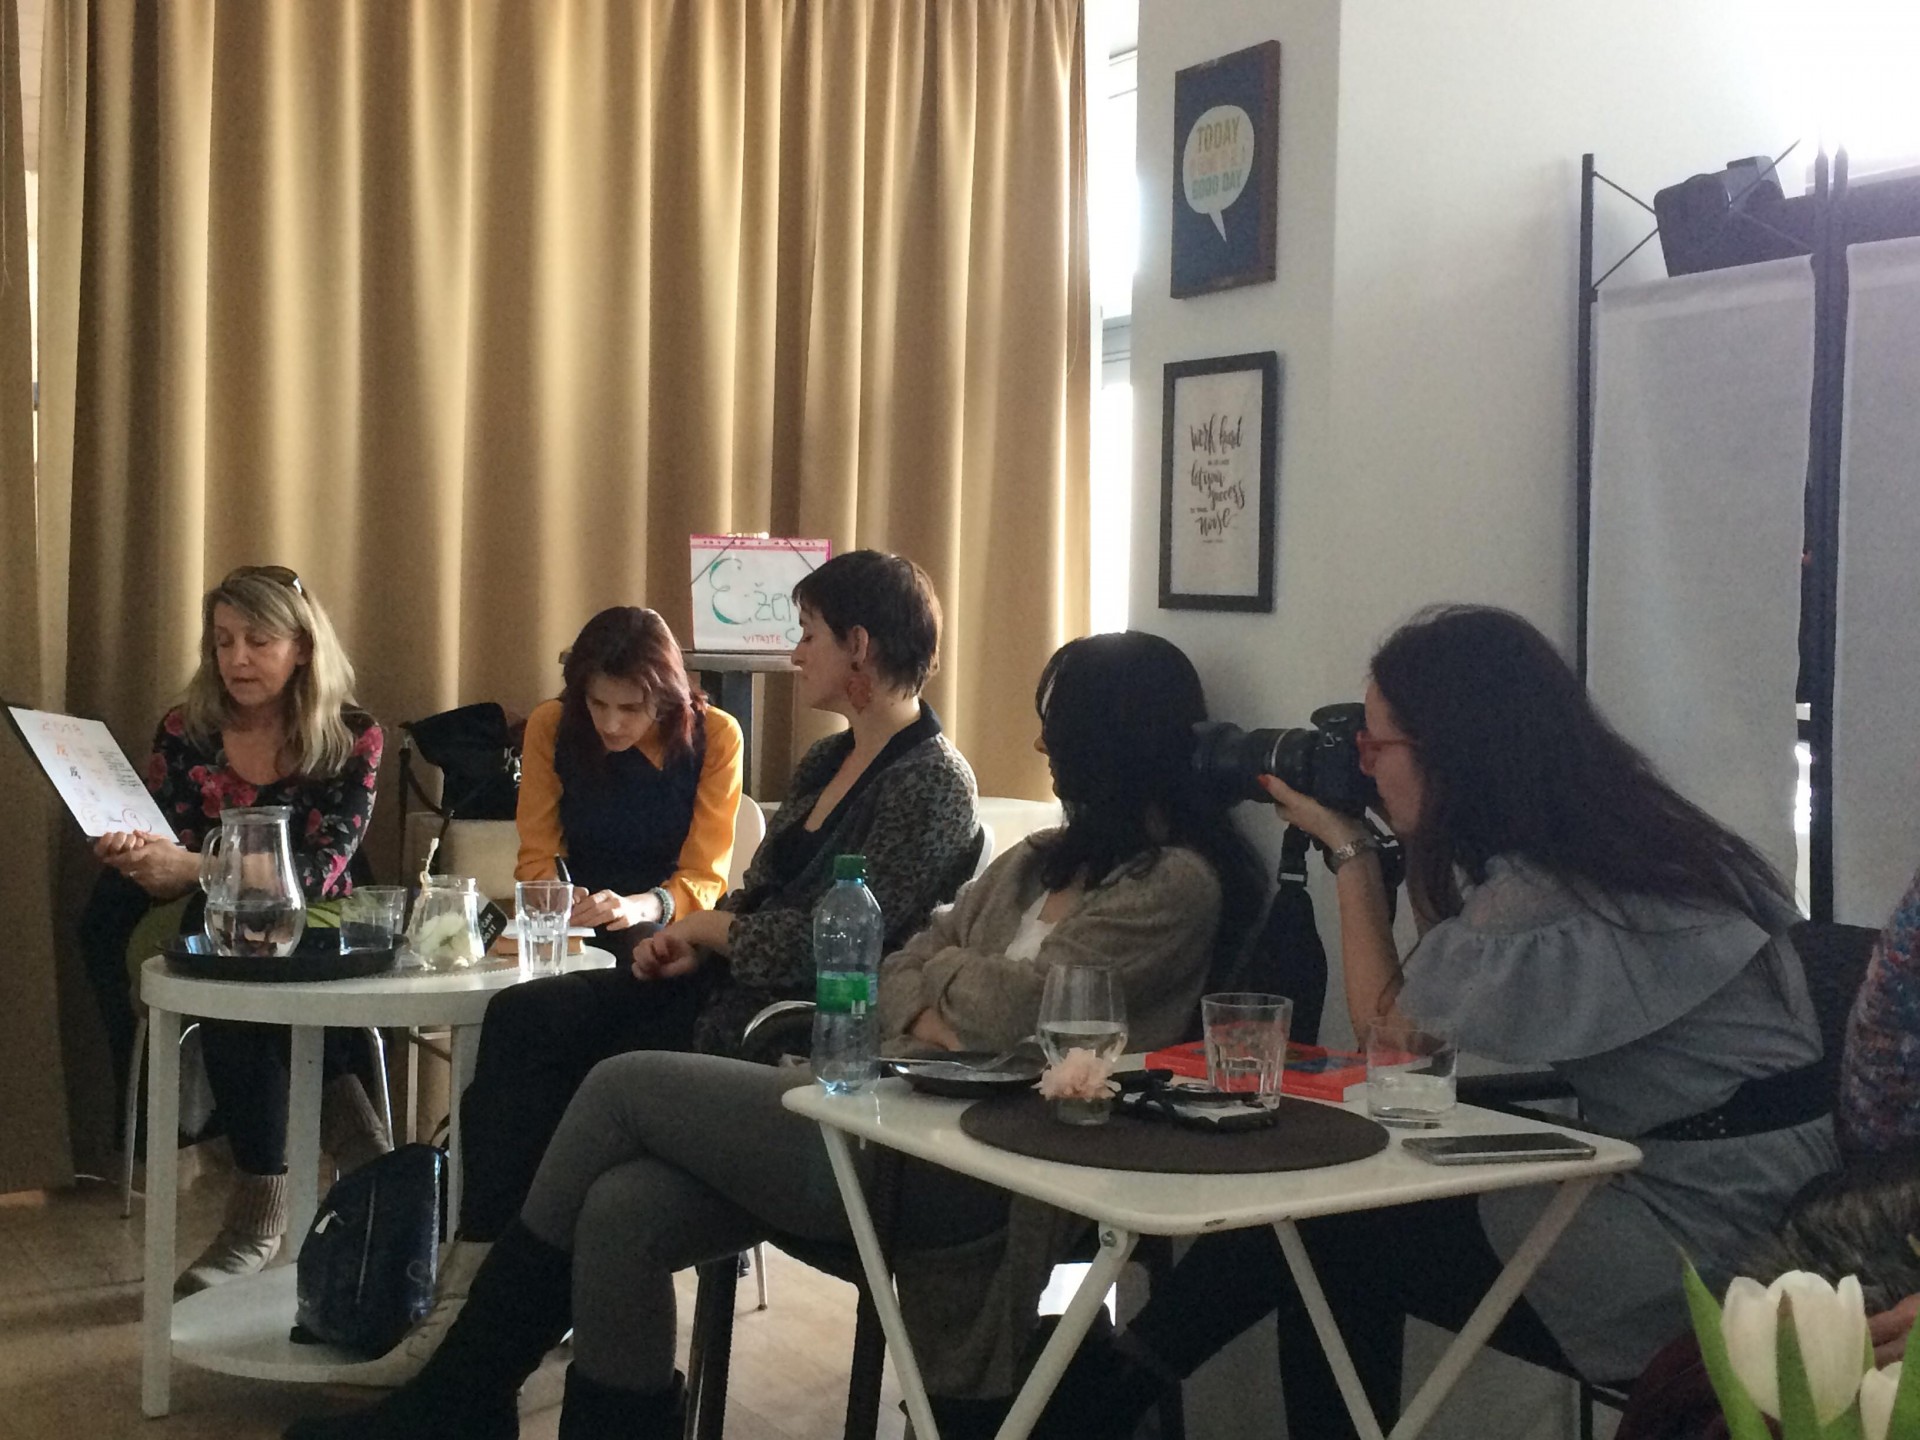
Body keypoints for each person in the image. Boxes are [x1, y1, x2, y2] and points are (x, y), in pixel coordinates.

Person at [283, 629, 1267, 1440]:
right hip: (889, 1111)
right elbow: (896, 968)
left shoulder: (1175, 885)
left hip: (981, 1166)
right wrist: (946, 999)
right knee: (620, 1211)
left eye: (1060, 725)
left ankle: (459, 1397)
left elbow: (1014, 1008)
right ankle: (471, 1400)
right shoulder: (1035, 864)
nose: (1043, 745)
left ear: (1113, 740)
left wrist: (943, 994)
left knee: (621, 1084)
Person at [1036, 604, 1840, 1439]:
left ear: (1451, 751)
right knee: (1327, 1223)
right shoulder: (1635, 843)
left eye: (1376, 746)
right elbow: (1436, 996)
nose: (1364, 765)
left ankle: (1085, 1406)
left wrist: (1350, 852)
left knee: (1323, 1228)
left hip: (1708, 1249)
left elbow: (1392, 1031)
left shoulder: (1553, 893)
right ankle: (1096, 1401)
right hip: (1746, 1197)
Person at [342, 548, 979, 1385]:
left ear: (858, 645)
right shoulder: (827, 761)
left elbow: (850, 949)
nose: (795, 654)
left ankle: (466, 1358)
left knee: (587, 1099)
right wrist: (694, 941)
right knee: (524, 1017)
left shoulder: (933, 784)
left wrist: (707, 928)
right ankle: (466, 1293)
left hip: (788, 1036)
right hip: (721, 990)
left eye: (809, 634)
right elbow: (757, 895)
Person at [351, 607, 742, 1385]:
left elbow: (706, 875)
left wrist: (640, 906)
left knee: (549, 1043)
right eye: (598, 704)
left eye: (631, 708)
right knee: (517, 1025)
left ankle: (498, 1289)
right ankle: (482, 1277)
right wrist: (565, 905)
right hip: (569, 922)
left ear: (668, 697)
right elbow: (537, 855)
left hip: (667, 936)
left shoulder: (716, 737)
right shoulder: (552, 727)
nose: (612, 723)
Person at [80, 566, 386, 1296]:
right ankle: (354, 1152)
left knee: (233, 937)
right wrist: (131, 847)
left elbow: (315, 872)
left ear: (303, 647)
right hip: (207, 905)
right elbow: (167, 834)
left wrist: (195, 869)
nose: (237, 659)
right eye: (223, 641)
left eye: (258, 640)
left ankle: (258, 1216)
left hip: (319, 913)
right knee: (156, 924)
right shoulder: (187, 728)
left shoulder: (353, 737)